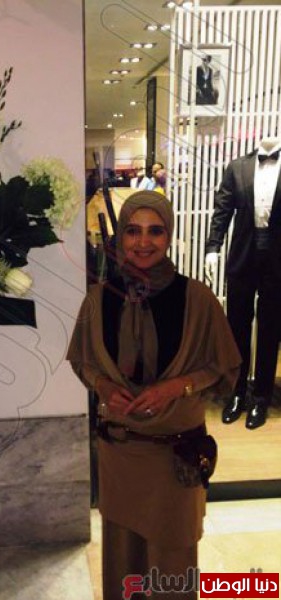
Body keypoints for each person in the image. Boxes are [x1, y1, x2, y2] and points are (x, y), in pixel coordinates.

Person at [68, 191, 240, 600]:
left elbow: (223, 367)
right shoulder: (99, 299)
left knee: (172, 561)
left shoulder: (197, 299)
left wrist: (177, 387)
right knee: (122, 558)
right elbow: (84, 361)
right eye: (133, 231)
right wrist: (104, 387)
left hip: (174, 456)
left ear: (169, 236)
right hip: (120, 454)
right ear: (120, 238)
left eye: (155, 231)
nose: (143, 242)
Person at [205, 138, 281, 429]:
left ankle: (261, 397)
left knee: (270, 329)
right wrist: (213, 248)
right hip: (243, 255)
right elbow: (222, 210)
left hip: (277, 259)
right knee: (237, 326)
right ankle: (236, 393)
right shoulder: (238, 167)